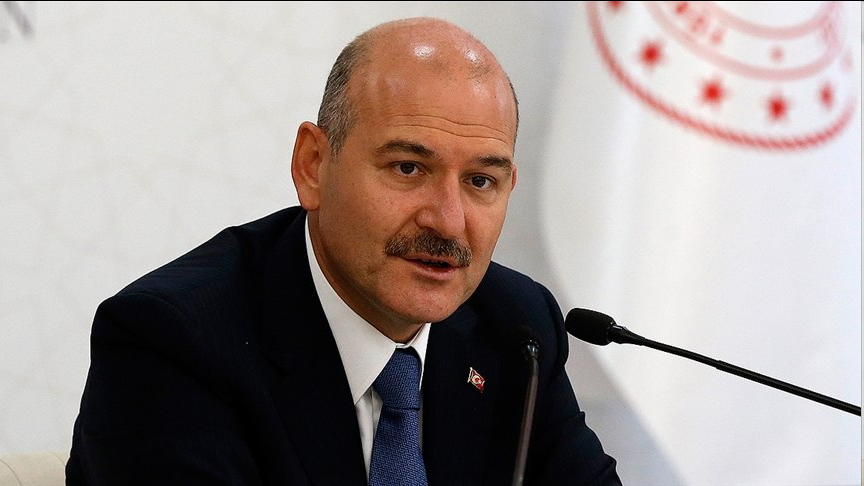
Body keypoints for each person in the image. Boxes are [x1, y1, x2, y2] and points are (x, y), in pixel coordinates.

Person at [66, 16, 621, 485]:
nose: (448, 221)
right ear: (313, 165)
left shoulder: (517, 329)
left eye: (480, 181)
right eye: (409, 168)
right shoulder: (175, 342)